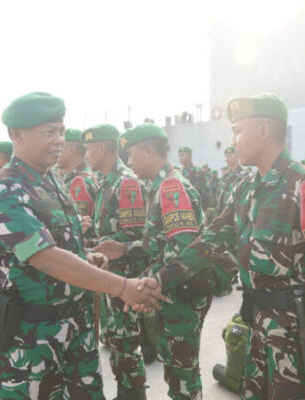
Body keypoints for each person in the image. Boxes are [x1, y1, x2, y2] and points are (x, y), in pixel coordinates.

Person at [156, 94, 305, 400]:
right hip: (255, 326)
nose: (232, 141)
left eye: (237, 131)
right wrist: (160, 280)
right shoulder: (246, 187)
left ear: (263, 130)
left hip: (295, 335)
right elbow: (211, 239)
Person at [0, 92, 166, 399]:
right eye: (48, 132)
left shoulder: (52, 182)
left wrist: (88, 256)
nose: (59, 141)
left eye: (61, 132)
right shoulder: (5, 188)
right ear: (17, 134)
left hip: (75, 329)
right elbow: (45, 258)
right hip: (31, 337)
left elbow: (62, 244)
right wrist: (122, 286)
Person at [100, 123, 207, 400]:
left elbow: (183, 249)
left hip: (180, 293)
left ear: (148, 150)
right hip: (171, 290)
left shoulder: (171, 187)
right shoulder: (158, 186)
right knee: (175, 366)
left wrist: (149, 283)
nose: (129, 162)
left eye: (131, 154)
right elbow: (159, 243)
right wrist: (125, 249)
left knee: (182, 372)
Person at [82, 124, 148, 399]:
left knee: (126, 341)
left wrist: (106, 245)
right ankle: (125, 389)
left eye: (89, 149)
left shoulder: (126, 182)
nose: (86, 155)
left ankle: (133, 392)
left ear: (103, 147)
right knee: (116, 339)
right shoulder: (105, 182)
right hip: (109, 278)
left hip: (124, 276)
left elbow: (136, 234)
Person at [216, 146, 249, 211]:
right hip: (223, 212)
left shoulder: (246, 175)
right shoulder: (225, 176)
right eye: (226, 156)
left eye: (229, 156)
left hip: (237, 213)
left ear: (237, 157)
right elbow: (219, 194)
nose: (227, 159)